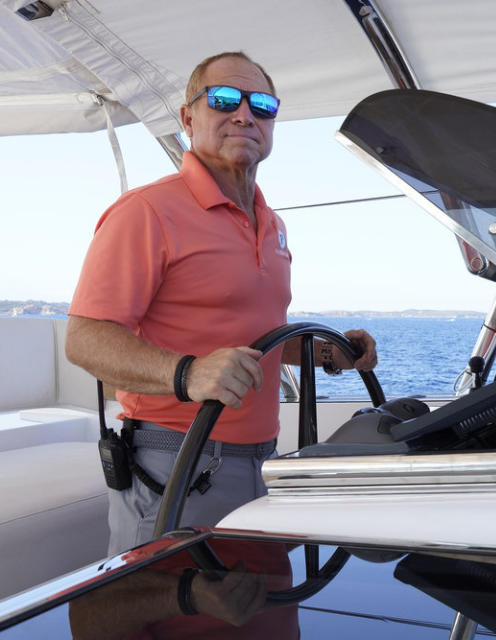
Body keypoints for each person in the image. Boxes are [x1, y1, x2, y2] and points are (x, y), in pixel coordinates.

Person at [66, 51, 377, 555]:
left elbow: (255, 339)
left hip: (266, 462)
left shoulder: (272, 223)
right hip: (175, 464)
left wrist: (327, 354)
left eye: (263, 105)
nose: (244, 114)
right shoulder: (146, 212)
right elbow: (85, 339)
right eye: (225, 99)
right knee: (173, 622)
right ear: (188, 118)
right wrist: (188, 373)